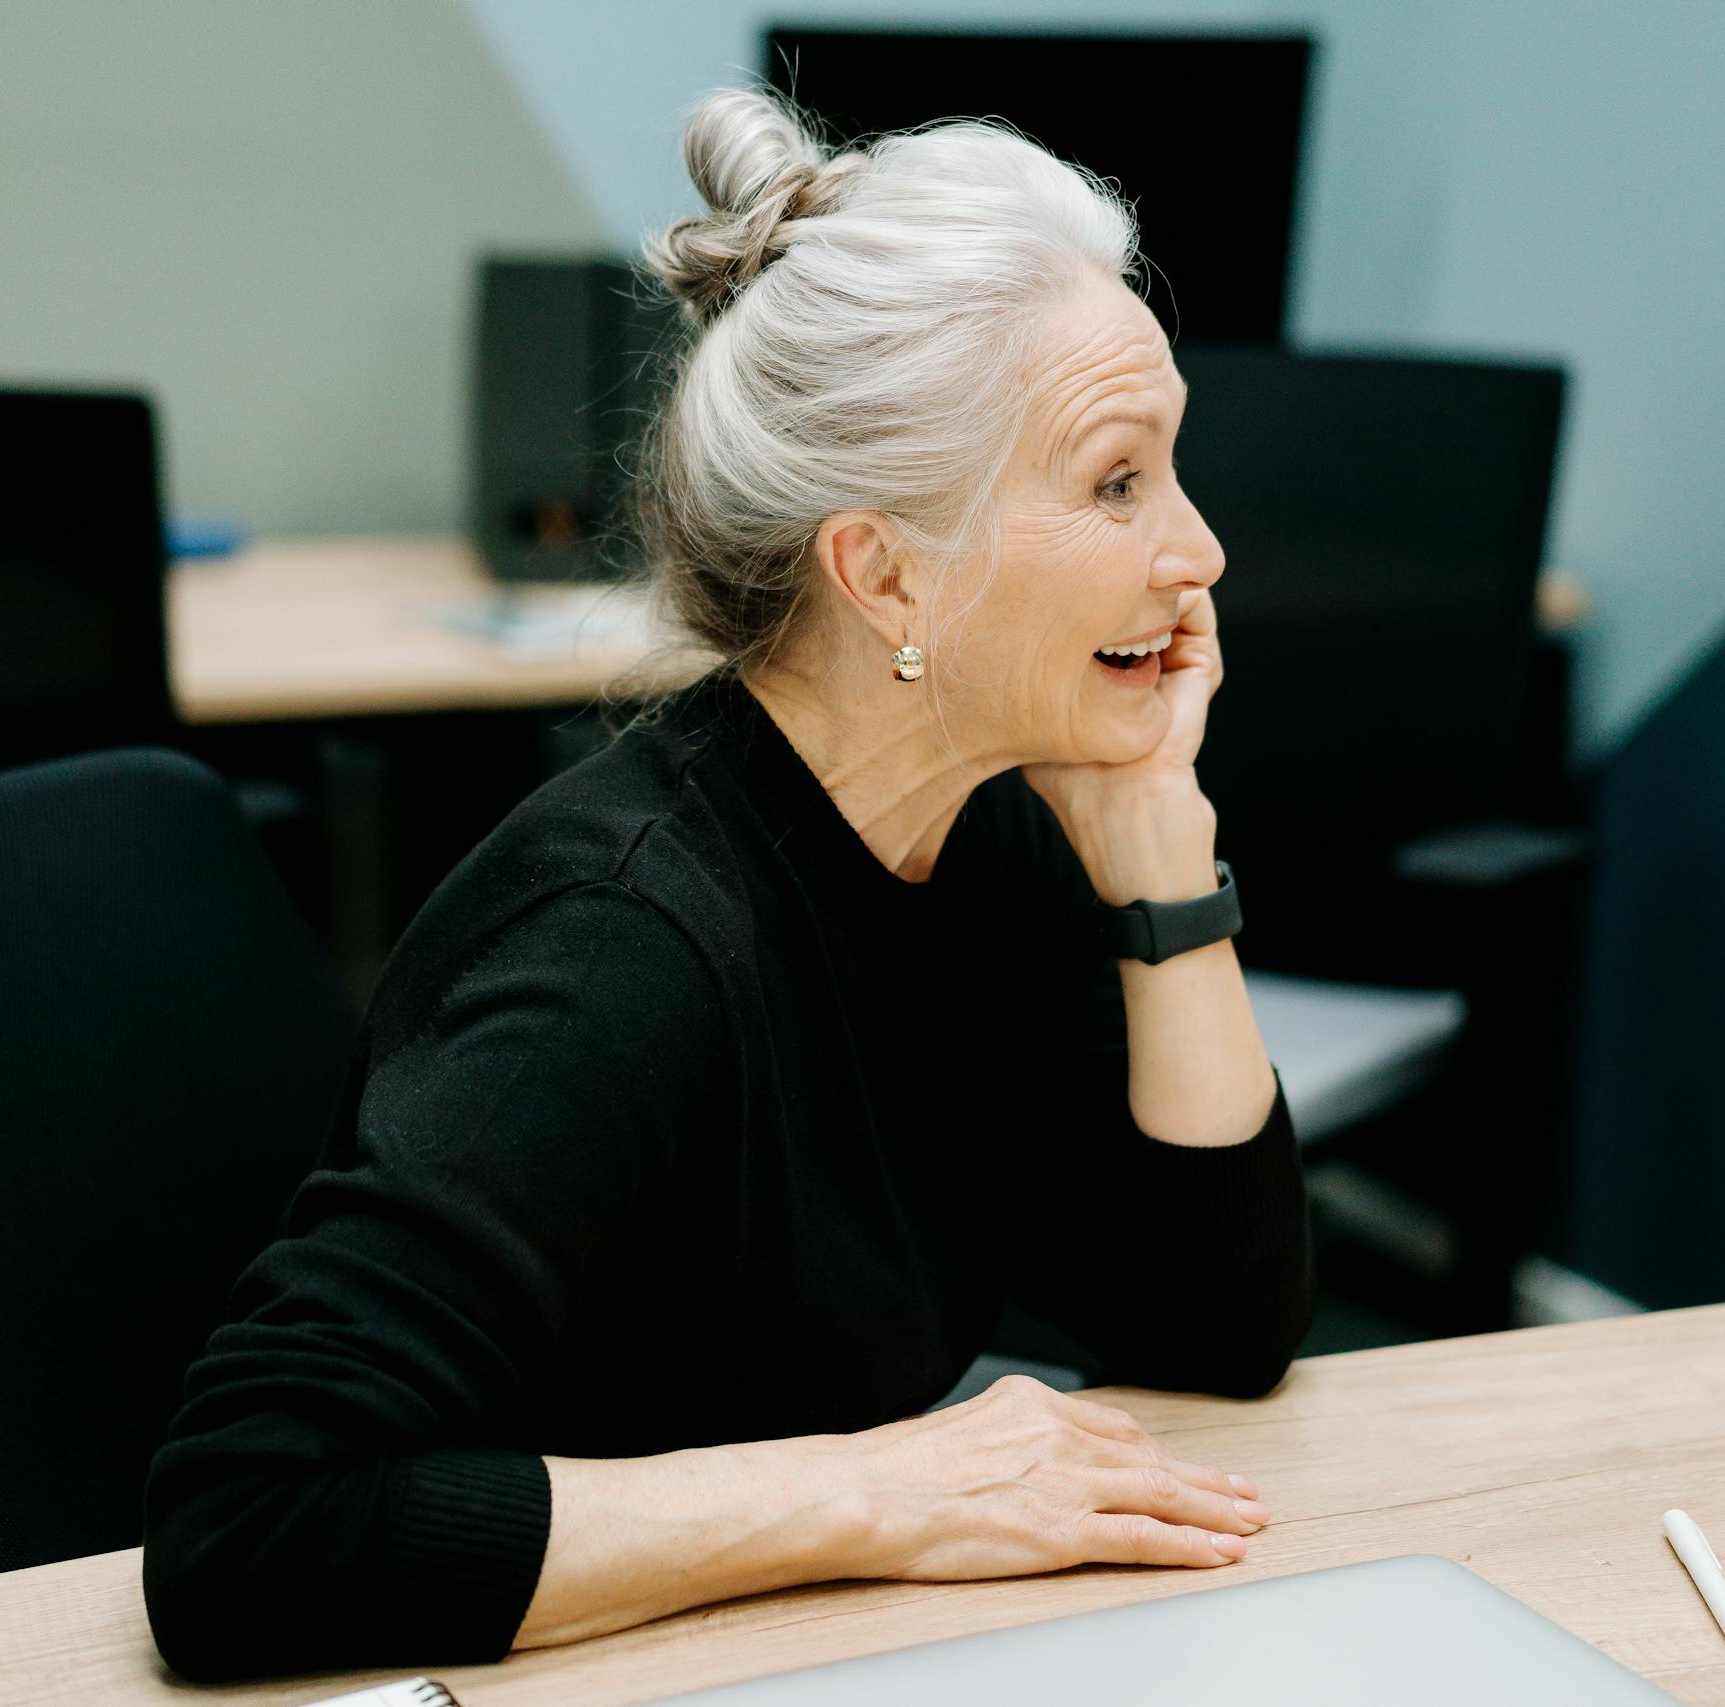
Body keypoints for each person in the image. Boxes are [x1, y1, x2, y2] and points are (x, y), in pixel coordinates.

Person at [142, 88, 1310, 1682]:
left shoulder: (982, 827)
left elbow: (1215, 1328)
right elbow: (245, 1529)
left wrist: (1158, 848)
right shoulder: (620, 946)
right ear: (884, 571)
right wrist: (870, 1494)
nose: (1202, 552)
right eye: (1118, 484)